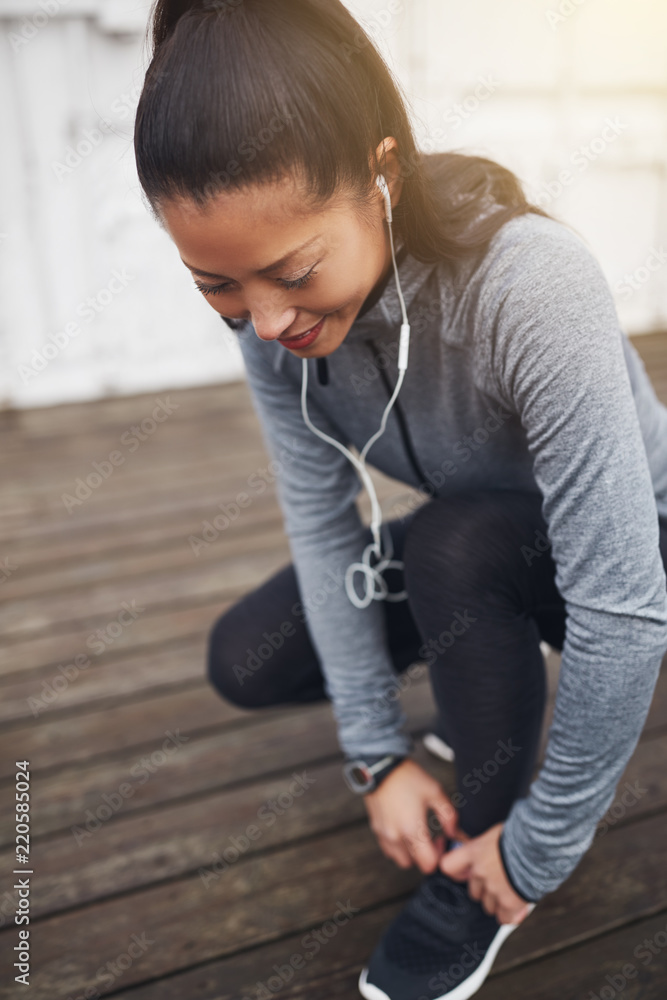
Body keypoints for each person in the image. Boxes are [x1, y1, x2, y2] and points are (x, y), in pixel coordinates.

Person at [133, 1, 667, 997]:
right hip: (481, 535)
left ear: (382, 173)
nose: (265, 320)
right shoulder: (268, 322)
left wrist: (537, 849)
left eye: (293, 270)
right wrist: (376, 759)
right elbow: (323, 523)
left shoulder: (525, 284)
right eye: (216, 286)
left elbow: (626, 610)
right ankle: (481, 682)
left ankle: (483, 853)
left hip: (632, 558)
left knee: (455, 550)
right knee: (247, 658)